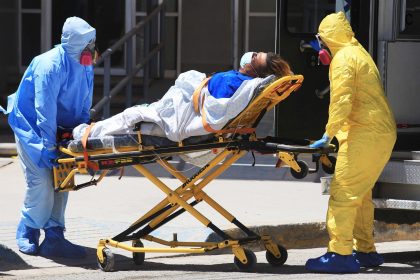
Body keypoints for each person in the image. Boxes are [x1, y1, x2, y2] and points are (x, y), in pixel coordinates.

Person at [305, 12, 396, 273]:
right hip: (379, 133)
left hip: (365, 134)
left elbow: (342, 100)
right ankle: (365, 250)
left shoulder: (343, 60)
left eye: (321, 40)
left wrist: (328, 134)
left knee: (343, 194)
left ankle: (340, 254)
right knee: (361, 195)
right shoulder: (358, 52)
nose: (320, 46)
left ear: (329, 38)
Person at [9, 16, 97, 258]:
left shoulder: (85, 64)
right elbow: (44, 110)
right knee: (42, 184)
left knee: (62, 181)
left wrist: (80, 135)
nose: (92, 48)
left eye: (93, 42)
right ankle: (28, 229)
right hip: (33, 129)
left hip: (60, 130)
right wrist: (48, 145)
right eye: (88, 43)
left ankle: (55, 237)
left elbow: (84, 102)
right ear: (76, 43)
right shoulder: (48, 65)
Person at [72, 52, 292, 141]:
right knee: (138, 117)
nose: (251, 53)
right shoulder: (238, 80)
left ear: (251, 66)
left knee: (133, 115)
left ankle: (86, 133)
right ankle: (94, 131)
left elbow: (213, 107)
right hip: (179, 108)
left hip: (181, 117)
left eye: (255, 56)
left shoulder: (235, 82)